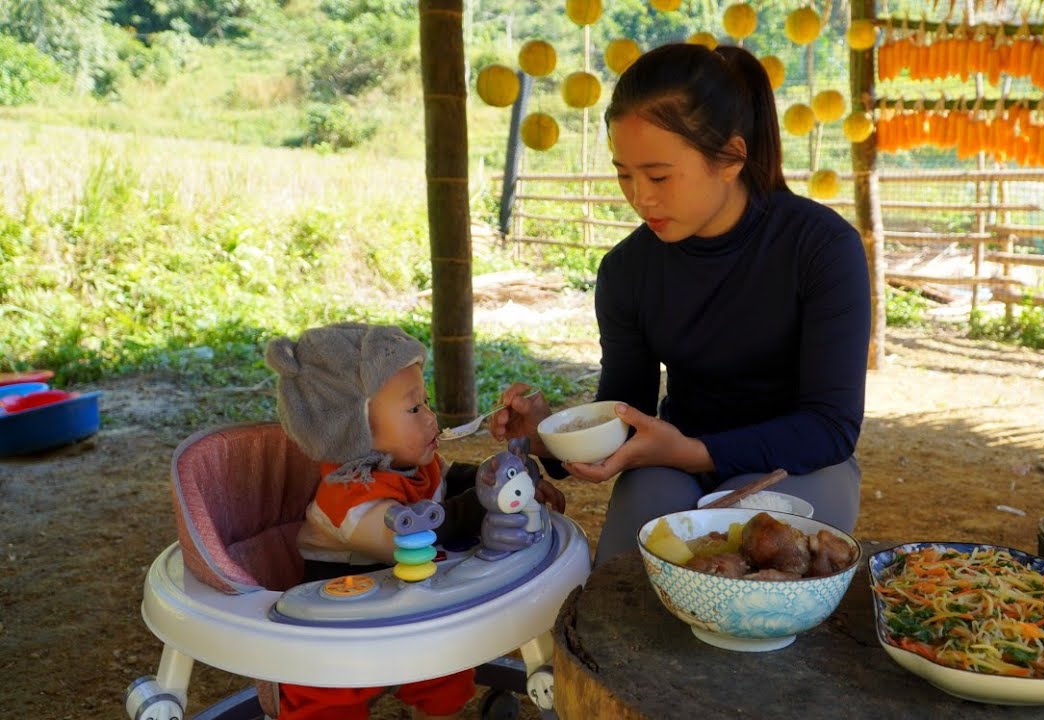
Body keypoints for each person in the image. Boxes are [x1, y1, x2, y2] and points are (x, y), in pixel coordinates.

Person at [490, 42, 870, 566]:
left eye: (659, 176)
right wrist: (547, 436)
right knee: (626, 586)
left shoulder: (821, 248)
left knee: (757, 580)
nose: (640, 197)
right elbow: (628, 412)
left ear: (731, 158)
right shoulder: (627, 270)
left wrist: (691, 450)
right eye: (625, 174)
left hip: (802, 460)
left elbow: (831, 425)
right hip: (671, 459)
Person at [265, 322, 564, 720]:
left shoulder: (408, 465)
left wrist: (502, 477)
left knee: (447, 661)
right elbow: (414, 536)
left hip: (412, 613)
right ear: (352, 427)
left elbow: (448, 481)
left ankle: (443, 711)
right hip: (337, 632)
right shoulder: (347, 496)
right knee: (322, 693)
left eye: (426, 402)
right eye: (414, 408)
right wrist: (489, 501)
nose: (431, 418)